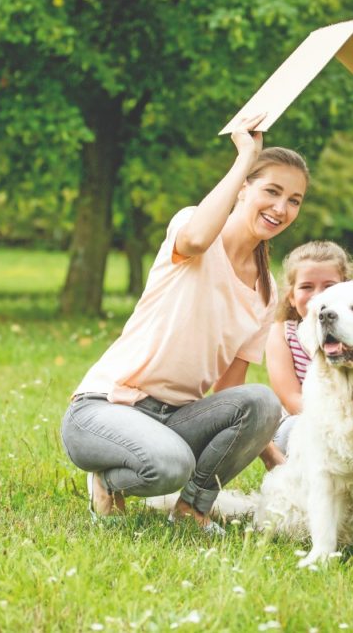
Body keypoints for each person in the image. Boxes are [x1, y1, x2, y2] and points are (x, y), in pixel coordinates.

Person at [60, 114, 309, 535]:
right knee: (170, 465)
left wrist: (276, 463)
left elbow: (230, 391)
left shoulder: (266, 289)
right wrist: (245, 156)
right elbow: (195, 239)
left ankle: (192, 511)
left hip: (175, 419)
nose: (281, 208)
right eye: (272, 191)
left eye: (295, 200)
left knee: (263, 401)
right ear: (243, 188)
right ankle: (107, 479)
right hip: (105, 410)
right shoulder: (194, 230)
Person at [261, 241, 353, 468]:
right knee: (294, 433)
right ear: (292, 296)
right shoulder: (282, 333)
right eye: (306, 287)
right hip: (305, 420)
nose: (318, 296)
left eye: (329, 286)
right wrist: (339, 424)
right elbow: (292, 398)